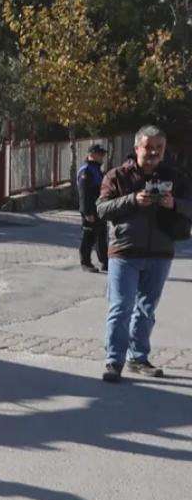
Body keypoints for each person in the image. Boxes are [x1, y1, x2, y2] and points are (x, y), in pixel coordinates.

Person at [96, 125, 192, 383]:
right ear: (137, 147)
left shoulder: (176, 177)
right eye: (148, 147)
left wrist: (174, 204)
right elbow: (102, 209)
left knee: (146, 310)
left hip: (160, 252)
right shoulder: (117, 176)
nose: (153, 152)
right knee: (121, 307)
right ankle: (114, 361)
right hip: (124, 252)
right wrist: (132, 200)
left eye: (158, 148)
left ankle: (138, 358)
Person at [77, 144, 109, 273]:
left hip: (99, 209)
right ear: (92, 154)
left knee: (101, 236)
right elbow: (84, 193)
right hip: (90, 210)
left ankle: (105, 262)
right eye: (100, 154)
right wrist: (87, 212)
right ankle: (85, 262)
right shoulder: (86, 170)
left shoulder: (96, 169)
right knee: (88, 237)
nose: (103, 156)